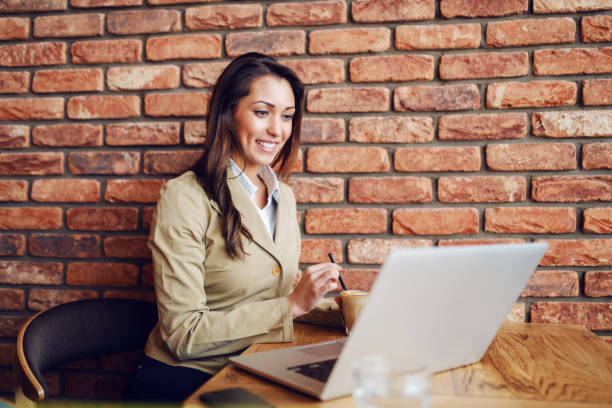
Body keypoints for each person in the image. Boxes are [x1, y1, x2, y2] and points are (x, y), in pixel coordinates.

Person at [125, 52, 342, 401]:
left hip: (256, 365)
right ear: (228, 112)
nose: (277, 129)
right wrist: (293, 306)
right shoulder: (184, 196)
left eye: (287, 116)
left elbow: (272, 288)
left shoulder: (283, 196)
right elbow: (183, 334)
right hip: (185, 379)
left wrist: (347, 310)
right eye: (262, 112)